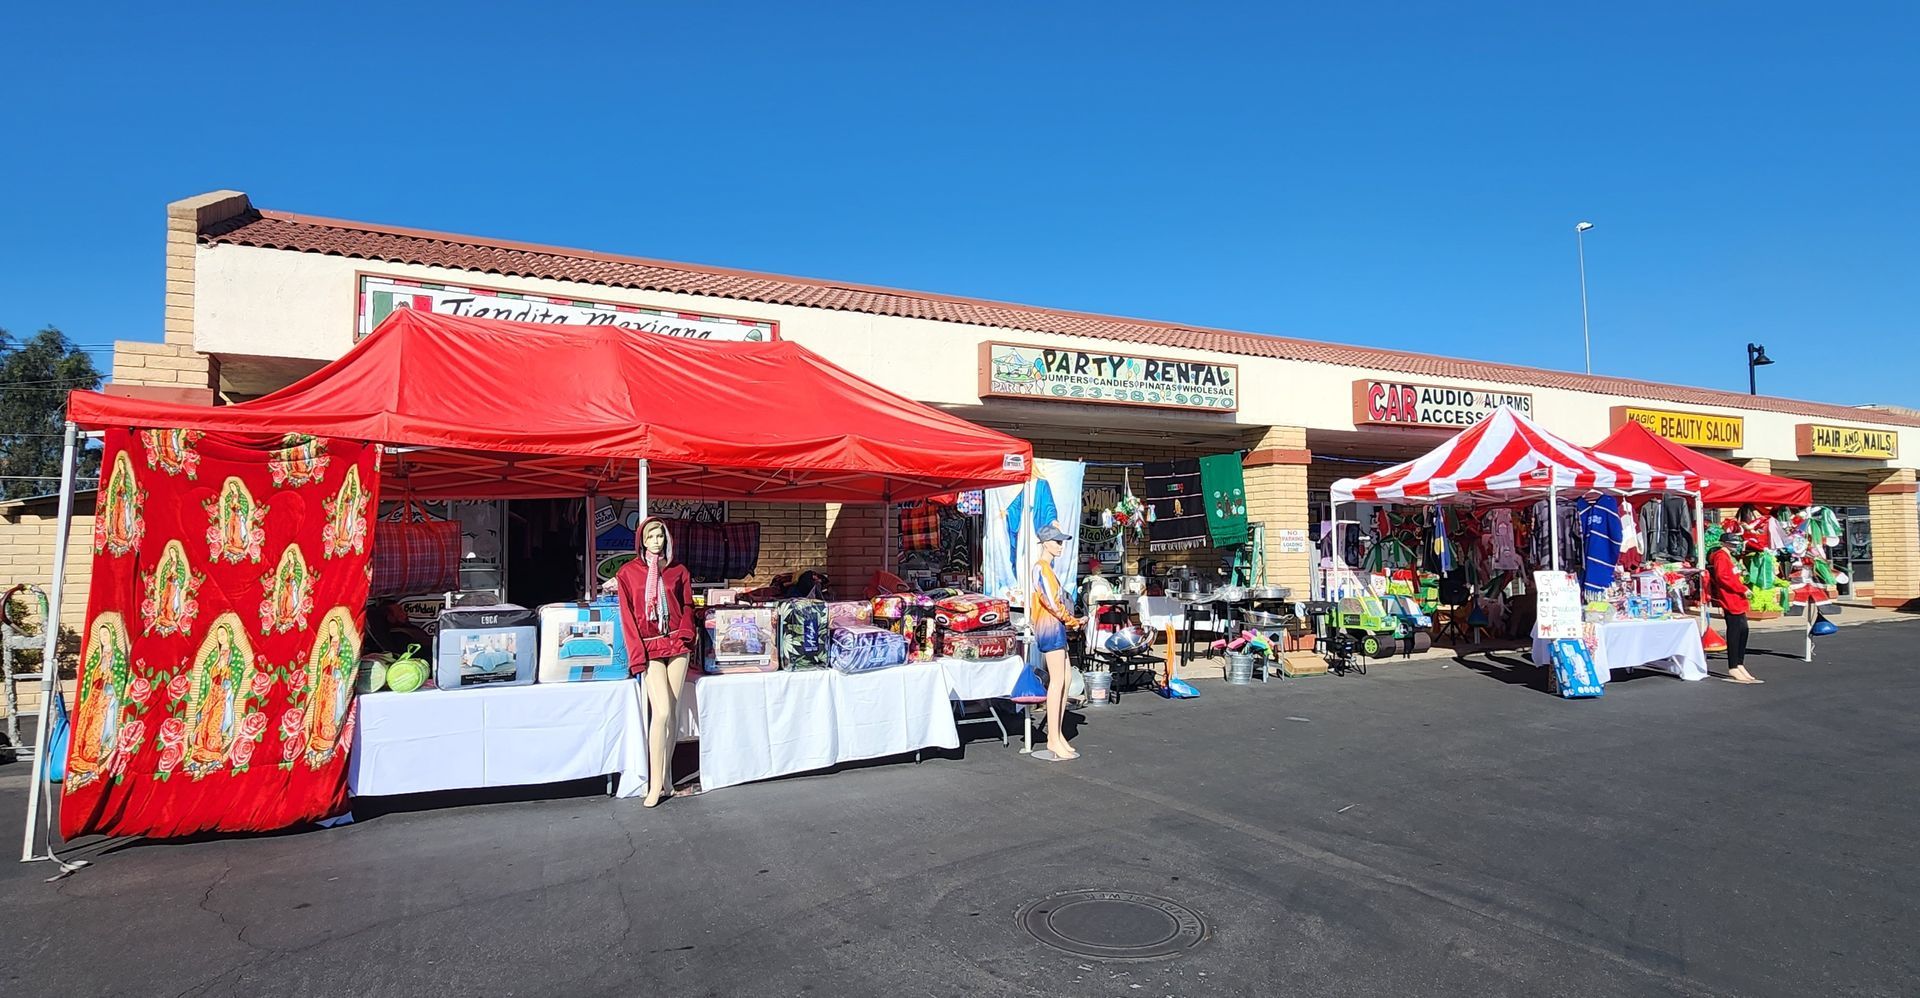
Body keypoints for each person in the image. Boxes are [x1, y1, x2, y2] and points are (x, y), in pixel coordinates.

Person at [615, 517, 696, 806]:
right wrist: (637, 656)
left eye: (660, 536)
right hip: (649, 647)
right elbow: (627, 617)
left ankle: (668, 779)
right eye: (650, 536)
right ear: (641, 540)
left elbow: (688, 605)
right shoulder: (628, 574)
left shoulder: (677, 571)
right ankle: (653, 783)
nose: (656, 541)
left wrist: (687, 634)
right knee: (660, 712)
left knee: (672, 711)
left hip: (676, 641)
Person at [1031, 523, 1084, 759]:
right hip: (1049, 627)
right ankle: (1053, 737)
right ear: (1045, 543)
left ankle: (1058, 733)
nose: (1060, 546)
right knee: (1057, 681)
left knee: (1066, 678)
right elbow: (1051, 602)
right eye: (1056, 542)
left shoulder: (1047, 570)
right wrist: (1071, 620)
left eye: (1061, 542)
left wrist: (1070, 620)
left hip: (1057, 626)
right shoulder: (1041, 569)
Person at [1707, 526, 1760, 684]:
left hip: (1738, 597)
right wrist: (1741, 588)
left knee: (1743, 630)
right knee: (1735, 631)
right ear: (1725, 544)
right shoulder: (1721, 557)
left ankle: (1739, 663)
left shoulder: (1731, 558)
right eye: (1732, 543)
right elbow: (1724, 577)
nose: (1735, 546)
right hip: (1731, 597)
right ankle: (1733, 665)